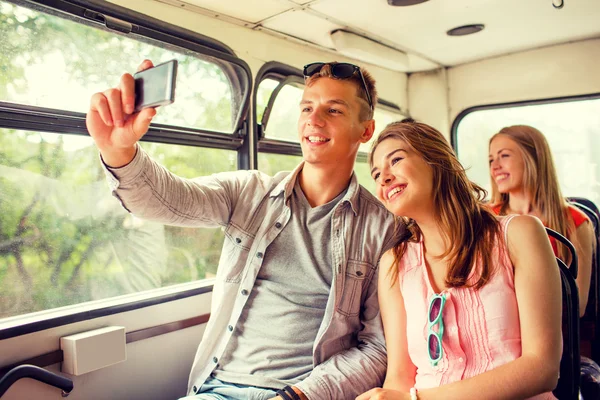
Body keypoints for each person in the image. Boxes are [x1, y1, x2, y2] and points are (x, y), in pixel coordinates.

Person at [86, 60, 401, 400]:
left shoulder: (383, 229)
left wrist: (299, 396)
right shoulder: (249, 193)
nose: (314, 119)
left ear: (365, 131)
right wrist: (118, 151)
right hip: (216, 391)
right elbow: (165, 200)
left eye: (333, 110)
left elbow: (377, 349)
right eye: (307, 107)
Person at [358, 120, 562, 400]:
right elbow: (400, 375)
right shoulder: (394, 264)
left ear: (437, 160)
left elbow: (542, 368)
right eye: (377, 173)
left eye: (396, 160)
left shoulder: (520, 234)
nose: (384, 178)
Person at [488, 125, 594, 316]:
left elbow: (577, 305)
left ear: (533, 158)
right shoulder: (485, 218)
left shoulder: (576, 221)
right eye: (491, 160)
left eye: (504, 156)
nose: (495, 167)